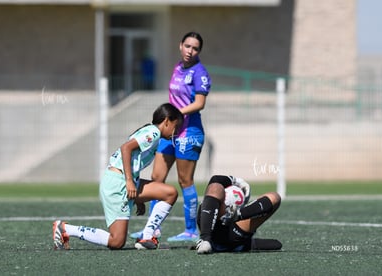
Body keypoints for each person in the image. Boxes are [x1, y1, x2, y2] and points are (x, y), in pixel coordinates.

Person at [52, 103, 183, 250]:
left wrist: (139, 198)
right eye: (175, 126)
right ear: (166, 121)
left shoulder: (152, 133)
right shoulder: (153, 133)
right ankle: (65, 229)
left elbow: (134, 160)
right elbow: (126, 148)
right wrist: (129, 181)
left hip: (123, 180)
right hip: (117, 184)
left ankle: (146, 237)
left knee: (170, 193)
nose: (175, 131)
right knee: (116, 242)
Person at [131, 31, 212, 242]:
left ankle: (191, 231)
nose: (190, 51)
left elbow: (200, 103)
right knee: (157, 178)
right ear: (180, 45)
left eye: (195, 48)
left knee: (185, 180)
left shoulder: (199, 73)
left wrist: (176, 115)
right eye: (187, 46)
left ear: (199, 51)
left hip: (189, 132)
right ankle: (152, 229)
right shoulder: (177, 67)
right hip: (170, 132)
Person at [195, 175, 282, 254]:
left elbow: (274, 198)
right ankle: (206, 240)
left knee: (275, 196)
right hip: (213, 231)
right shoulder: (208, 206)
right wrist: (237, 181)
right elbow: (215, 180)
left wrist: (238, 214)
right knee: (215, 187)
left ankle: (235, 245)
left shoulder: (210, 204)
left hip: (233, 231)